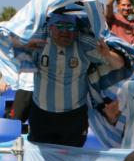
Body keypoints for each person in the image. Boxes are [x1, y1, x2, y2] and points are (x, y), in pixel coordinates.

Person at [21, 11, 125, 147]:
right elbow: (5, 44)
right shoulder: (39, 40)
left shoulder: (84, 44)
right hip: (42, 113)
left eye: (70, 27)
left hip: (74, 115)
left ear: (76, 31)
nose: (65, 32)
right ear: (51, 27)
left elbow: (119, 64)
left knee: (74, 160)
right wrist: (22, 46)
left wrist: (107, 54)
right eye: (60, 26)